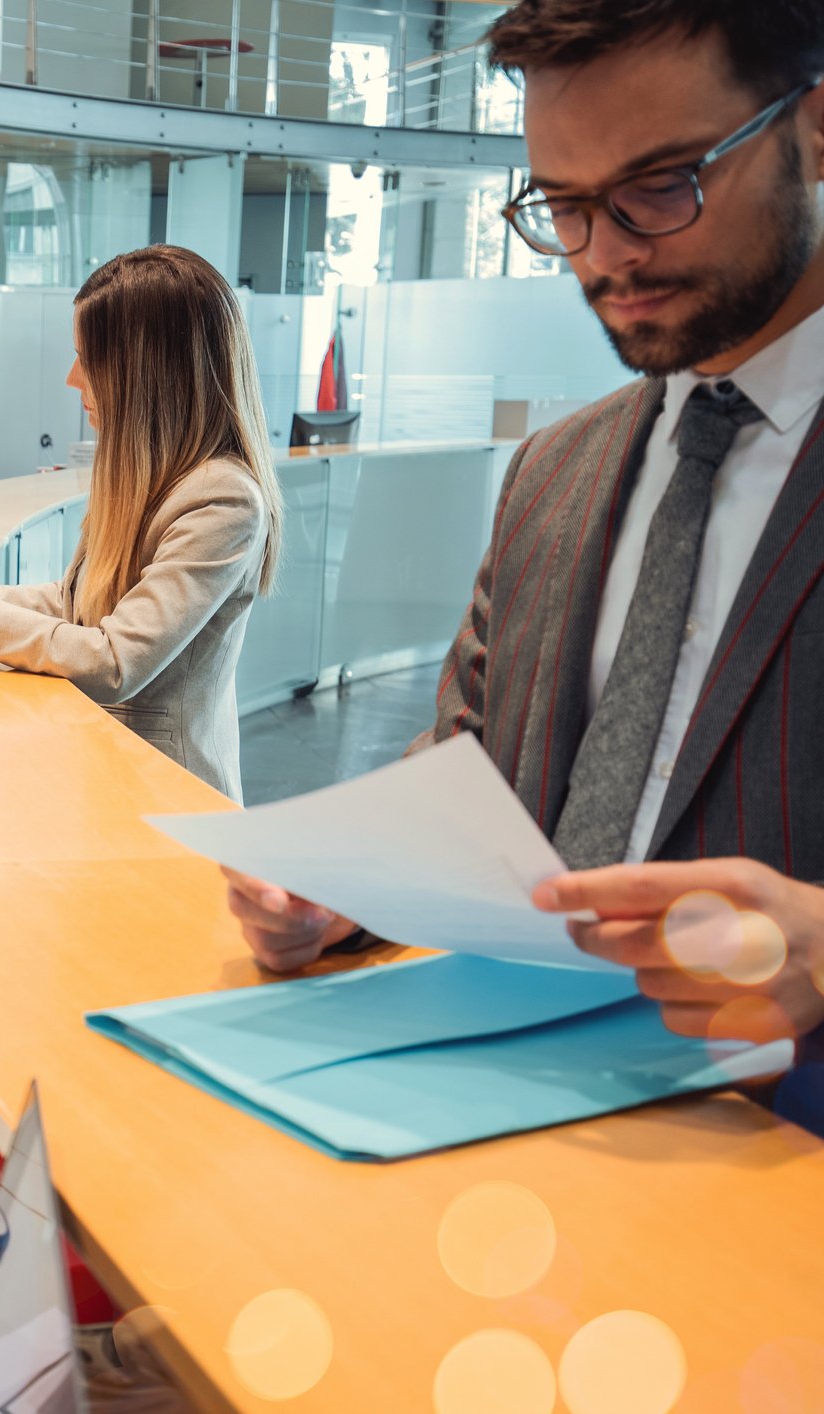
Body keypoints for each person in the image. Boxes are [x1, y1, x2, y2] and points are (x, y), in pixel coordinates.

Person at [219, 0, 824, 1128]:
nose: (609, 255)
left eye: (662, 185)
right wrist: (352, 883)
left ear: (813, 127)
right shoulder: (558, 469)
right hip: (505, 1140)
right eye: (562, 206)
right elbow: (481, 762)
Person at [0, 245, 283, 801]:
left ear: (144, 370)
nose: (71, 378)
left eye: (88, 358)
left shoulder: (223, 500)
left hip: (166, 797)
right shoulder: (143, 474)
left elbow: (114, 661)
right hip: (104, 769)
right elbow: (73, 601)